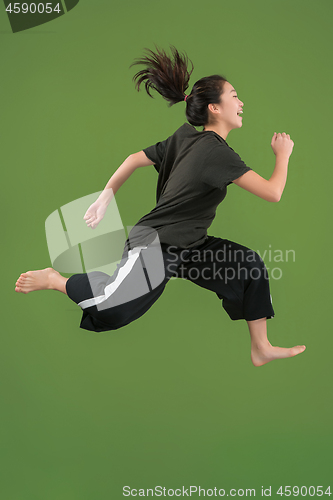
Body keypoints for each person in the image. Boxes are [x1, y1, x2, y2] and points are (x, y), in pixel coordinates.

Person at [15, 46, 306, 367]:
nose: (241, 103)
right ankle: (55, 279)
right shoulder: (215, 152)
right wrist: (283, 155)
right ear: (214, 108)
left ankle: (260, 347)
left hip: (190, 244)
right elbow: (273, 192)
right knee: (113, 308)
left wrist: (105, 196)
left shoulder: (185, 140)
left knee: (248, 266)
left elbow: (132, 160)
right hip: (157, 243)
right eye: (234, 96)